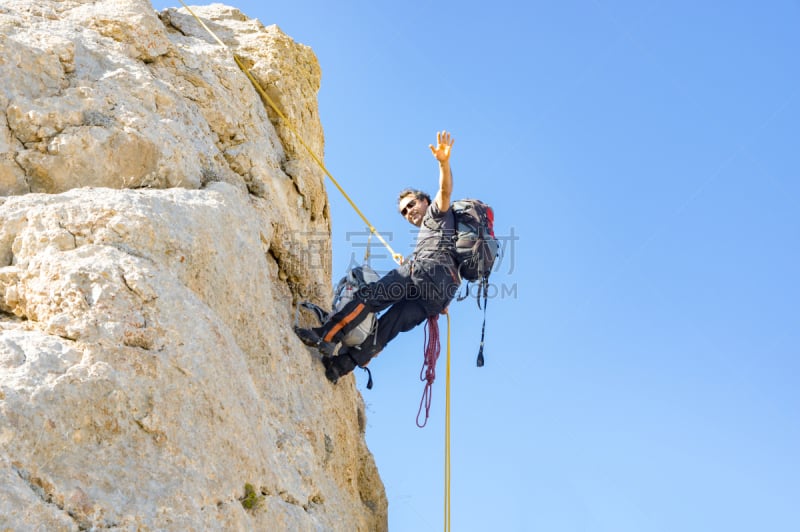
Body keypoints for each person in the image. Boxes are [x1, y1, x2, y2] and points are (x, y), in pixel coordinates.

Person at [295, 130, 461, 383]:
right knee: (387, 329)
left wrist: (443, 162)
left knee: (369, 297)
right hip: (439, 294)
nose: (408, 212)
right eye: (404, 211)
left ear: (425, 201)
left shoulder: (437, 213)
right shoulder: (444, 232)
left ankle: (326, 336)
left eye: (411, 205)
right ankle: (339, 367)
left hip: (425, 273)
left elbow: (445, 191)